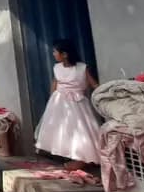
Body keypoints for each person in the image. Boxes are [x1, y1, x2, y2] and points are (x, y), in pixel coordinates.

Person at [34, 38, 101, 169]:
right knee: (63, 131)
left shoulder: (82, 68)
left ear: (64, 54)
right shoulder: (57, 68)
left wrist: (103, 94)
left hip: (77, 103)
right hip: (59, 103)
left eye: (55, 51)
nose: (53, 54)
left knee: (80, 130)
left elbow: (94, 84)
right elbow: (54, 84)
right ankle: (71, 157)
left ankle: (81, 159)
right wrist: (51, 101)